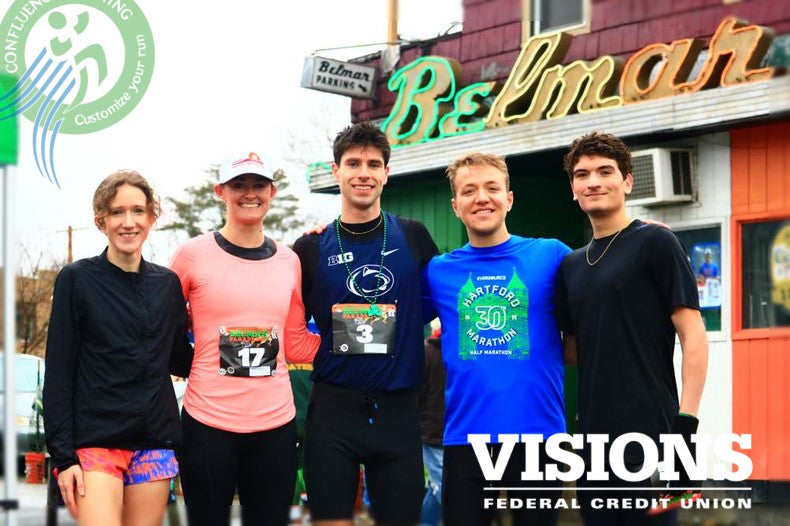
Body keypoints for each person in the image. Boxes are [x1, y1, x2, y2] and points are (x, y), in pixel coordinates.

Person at [556, 132, 709, 525]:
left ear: (627, 180)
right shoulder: (571, 265)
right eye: (582, 174)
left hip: (653, 430)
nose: (593, 181)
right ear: (573, 189)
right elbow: (571, 352)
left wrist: (686, 421)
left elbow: (693, 335)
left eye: (605, 171)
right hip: (593, 438)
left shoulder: (656, 242)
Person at [293, 121, 439, 525]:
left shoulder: (413, 236)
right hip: (333, 411)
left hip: (397, 412)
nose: (364, 173)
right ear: (336, 171)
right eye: (353, 163)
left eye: (374, 164)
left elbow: (426, 306)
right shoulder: (309, 247)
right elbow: (288, 321)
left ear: (386, 173)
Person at [170, 152, 320, 526]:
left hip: (275, 426)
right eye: (239, 185)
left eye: (258, 185)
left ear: (273, 192)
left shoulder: (289, 261)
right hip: (207, 424)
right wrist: (196, 365)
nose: (249, 193)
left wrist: (372, 344)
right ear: (221, 191)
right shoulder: (191, 256)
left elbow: (297, 342)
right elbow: (164, 330)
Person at [424, 153, 567, 526]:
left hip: (538, 436)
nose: (481, 198)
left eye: (492, 188)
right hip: (465, 437)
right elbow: (386, 306)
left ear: (509, 198)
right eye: (469, 191)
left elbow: (605, 273)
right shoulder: (439, 271)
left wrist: (638, 235)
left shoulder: (549, 254)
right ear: (456, 206)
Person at [43, 170, 193, 525]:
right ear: (101, 221)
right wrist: (64, 458)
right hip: (95, 442)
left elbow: (178, 359)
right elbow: (59, 373)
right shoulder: (76, 280)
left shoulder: (167, 284)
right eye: (117, 212)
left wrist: (233, 340)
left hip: (154, 440)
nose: (129, 222)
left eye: (138, 211)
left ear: (151, 218)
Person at [417, 322, 445, 526]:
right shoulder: (429, 354)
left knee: (439, 485)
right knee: (443, 486)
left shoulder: (427, 353)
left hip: (435, 430)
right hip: (435, 433)